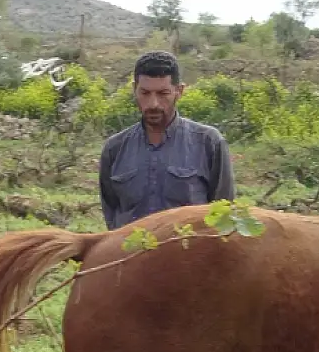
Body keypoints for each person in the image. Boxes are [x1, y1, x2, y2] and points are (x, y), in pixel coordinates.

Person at [98, 51, 235, 230]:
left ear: (179, 91)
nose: (153, 103)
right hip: (130, 255)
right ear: (134, 89)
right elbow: (112, 212)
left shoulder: (209, 143)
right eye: (145, 93)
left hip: (188, 254)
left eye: (163, 93)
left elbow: (223, 213)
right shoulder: (114, 149)